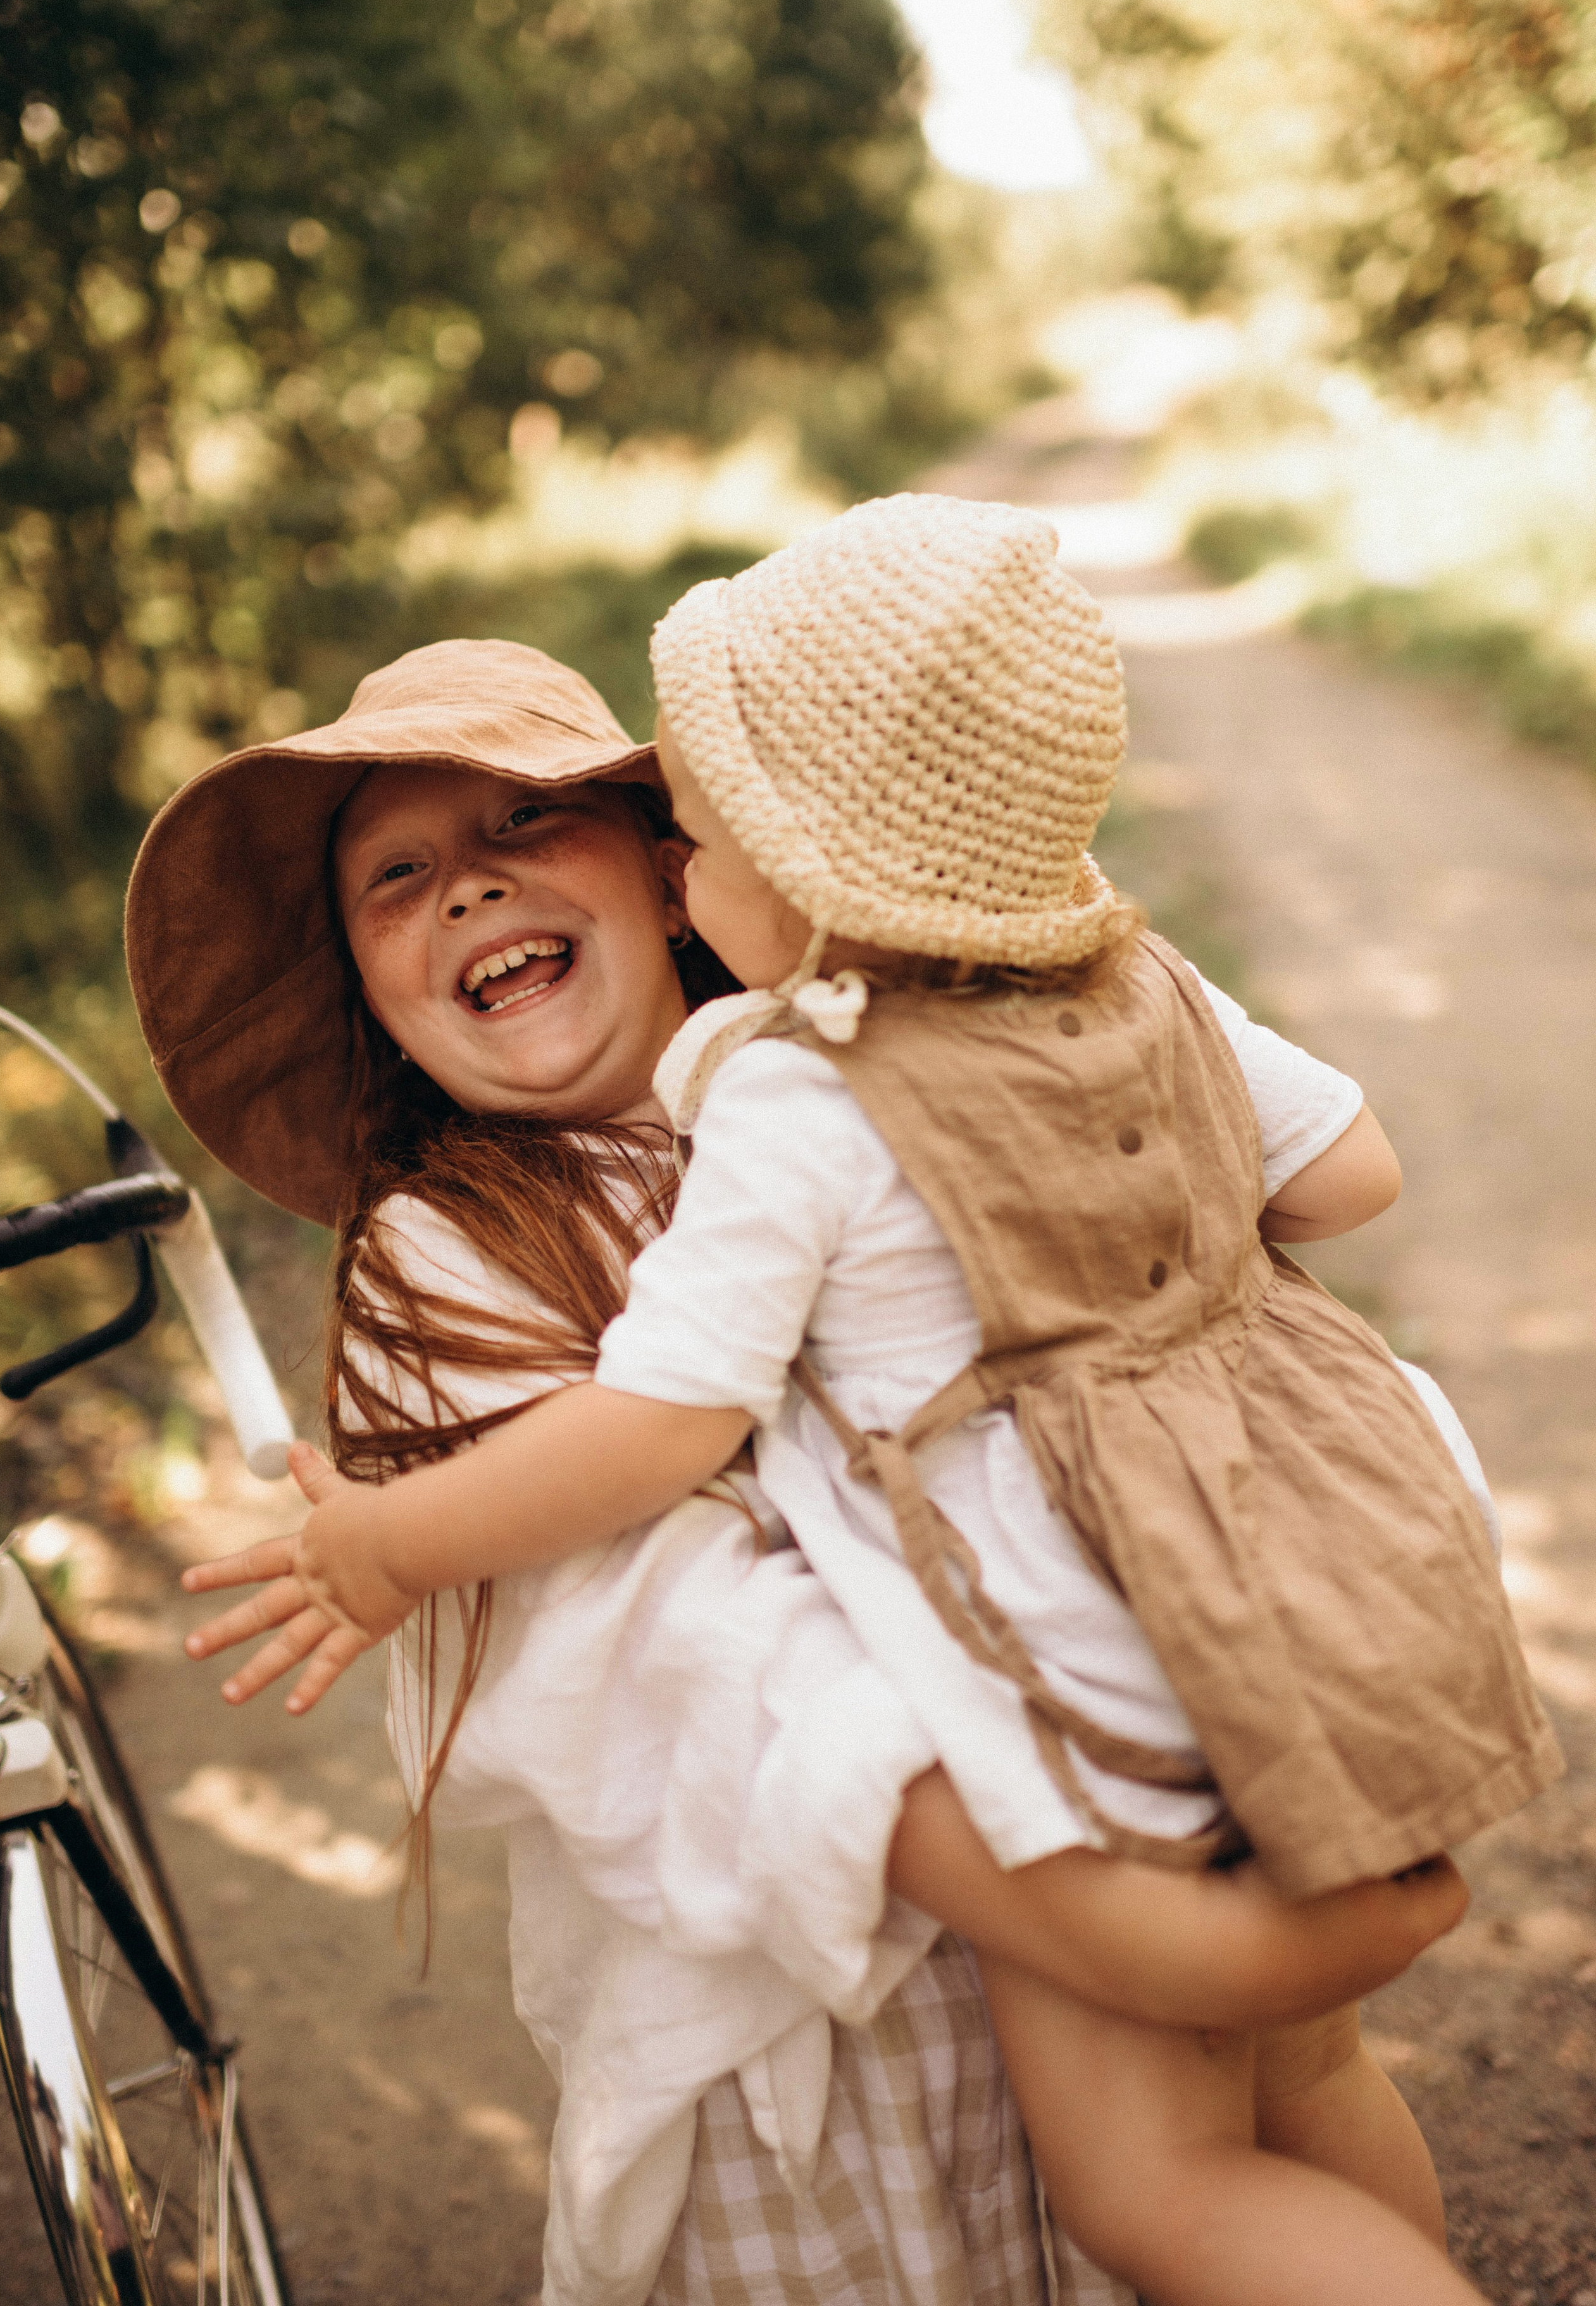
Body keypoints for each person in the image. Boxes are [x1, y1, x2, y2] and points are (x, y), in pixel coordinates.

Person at [159, 511, 1523, 2303]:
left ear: (674, 868)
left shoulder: (826, 1077)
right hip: (857, 1991)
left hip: (1120, 1779)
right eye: (396, 882)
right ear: (372, 997)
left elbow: (676, 1423)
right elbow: (643, 1640)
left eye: (518, 821)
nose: (471, 888)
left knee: (1225, 2170)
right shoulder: (450, 1251)